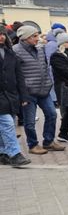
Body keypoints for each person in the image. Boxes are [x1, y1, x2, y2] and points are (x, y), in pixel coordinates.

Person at [13, 25, 65, 155]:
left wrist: (48, 82)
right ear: (25, 38)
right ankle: (33, 145)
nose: (38, 38)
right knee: (29, 121)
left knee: (52, 114)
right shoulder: (16, 51)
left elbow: (45, 68)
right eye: (34, 36)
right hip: (28, 93)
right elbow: (14, 73)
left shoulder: (40, 49)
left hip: (44, 90)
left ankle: (48, 142)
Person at [0, 25, 31, 167]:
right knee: (7, 124)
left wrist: (24, 97)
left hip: (11, 96)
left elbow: (20, 77)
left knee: (8, 124)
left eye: (3, 34)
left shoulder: (11, 54)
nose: (1, 37)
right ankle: (15, 154)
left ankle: (3, 153)